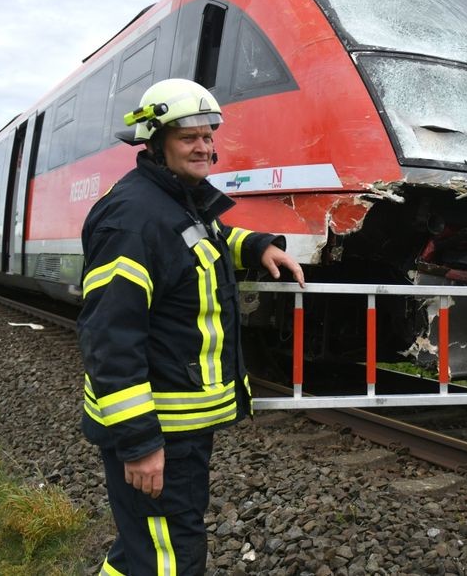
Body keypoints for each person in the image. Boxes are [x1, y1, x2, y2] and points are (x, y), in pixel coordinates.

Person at [79, 77, 305, 575]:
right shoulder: (133, 220)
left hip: (181, 426)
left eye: (208, 135)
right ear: (157, 143)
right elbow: (109, 339)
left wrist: (257, 246)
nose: (205, 147)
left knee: (141, 547)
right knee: (170, 559)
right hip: (159, 428)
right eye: (189, 137)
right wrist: (139, 443)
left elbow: (207, 238)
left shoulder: (175, 200)